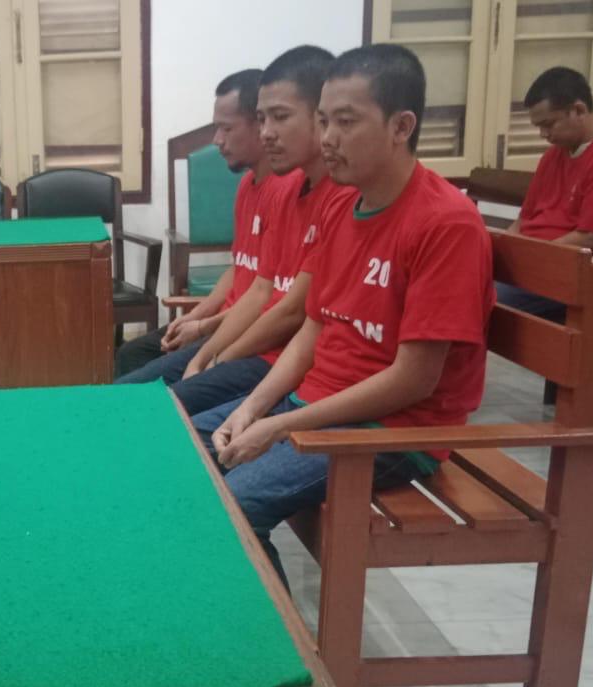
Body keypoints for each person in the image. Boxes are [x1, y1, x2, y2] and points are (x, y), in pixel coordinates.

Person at [190, 44, 495, 583]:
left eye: (346, 122)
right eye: (324, 120)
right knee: (183, 448)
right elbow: (314, 326)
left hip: (392, 431)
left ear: (401, 126)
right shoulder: (345, 207)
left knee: (234, 502)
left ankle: (276, 637)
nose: (328, 137)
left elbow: (414, 380)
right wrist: (254, 409)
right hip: (316, 406)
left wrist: (279, 425)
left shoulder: (446, 224)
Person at [167, 46, 357, 416]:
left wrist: (214, 355)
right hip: (260, 349)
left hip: (278, 358)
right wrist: (206, 345)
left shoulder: (342, 198)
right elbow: (256, 284)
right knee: (138, 390)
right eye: (261, 119)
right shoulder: (285, 190)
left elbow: (292, 313)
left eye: (279, 117)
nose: (267, 133)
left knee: (163, 416)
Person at [114, 69, 273, 380]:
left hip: (241, 334)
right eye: (216, 128)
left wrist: (202, 329)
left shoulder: (285, 191)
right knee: (130, 354)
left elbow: (264, 298)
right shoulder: (247, 184)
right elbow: (239, 267)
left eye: (227, 128)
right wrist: (194, 316)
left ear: (260, 124)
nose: (217, 140)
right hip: (220, 324)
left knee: (137, 385)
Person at [501, 66, 593, 320]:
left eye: (548, 124)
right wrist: (502, 253)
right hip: (536, 267)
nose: (543, 134)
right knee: (456, 284)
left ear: (578, 110)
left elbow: (589, 239)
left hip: (575, 277)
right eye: (538, 127)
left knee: (478, 299)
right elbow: (522, 222)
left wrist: (526, 261)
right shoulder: (552, 156)